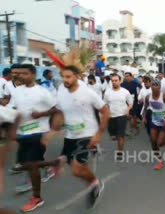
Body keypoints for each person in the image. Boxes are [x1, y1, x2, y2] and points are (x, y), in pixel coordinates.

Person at [55, 65, 109, 209]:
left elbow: (105, 111)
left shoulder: (88, 93)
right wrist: (52, 131)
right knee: (75, 168)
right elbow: (60, 112)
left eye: (68, 77)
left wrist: (98, 134)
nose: (65, 80)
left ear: (77, 76)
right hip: (70, 135)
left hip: (87, 134)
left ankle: (96, 183)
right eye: (63, 76)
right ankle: (93, 183)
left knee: (77, 169)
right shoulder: (61, 92)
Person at [11, 64, 59, 212]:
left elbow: (56, 108)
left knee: (32, 165)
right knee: (21, 164)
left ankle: (37, 198)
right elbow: (13, 109)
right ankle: (54, 163)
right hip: (22, 132)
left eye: (24, 74)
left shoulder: (42, 92)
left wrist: (41, 114)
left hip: (38, 132)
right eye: (20, 74)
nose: (21, 76)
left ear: (32, 74)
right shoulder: (17, 91)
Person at [143, 80, 165, 170]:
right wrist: (144, 117)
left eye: (156, 85)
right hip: (154, 121)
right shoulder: (148, 97)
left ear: (160, 87)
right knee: (153, 142)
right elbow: (145, 107)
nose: (154, 86)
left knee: (159, 143)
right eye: (153, 85)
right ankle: (160, 161)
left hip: (164, 122)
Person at [104, 74, 133, 161]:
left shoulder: (125, 92)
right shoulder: (107, 92)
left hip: (122, 116)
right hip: (111, 116)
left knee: (120, 135)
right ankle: (116, 136)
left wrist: (128, 110)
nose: (114, 82)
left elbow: (131, 103)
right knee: (113, 136)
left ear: (120, 81)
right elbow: (105, 104)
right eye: (112, 81)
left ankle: (120, 151)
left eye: (116, 80)